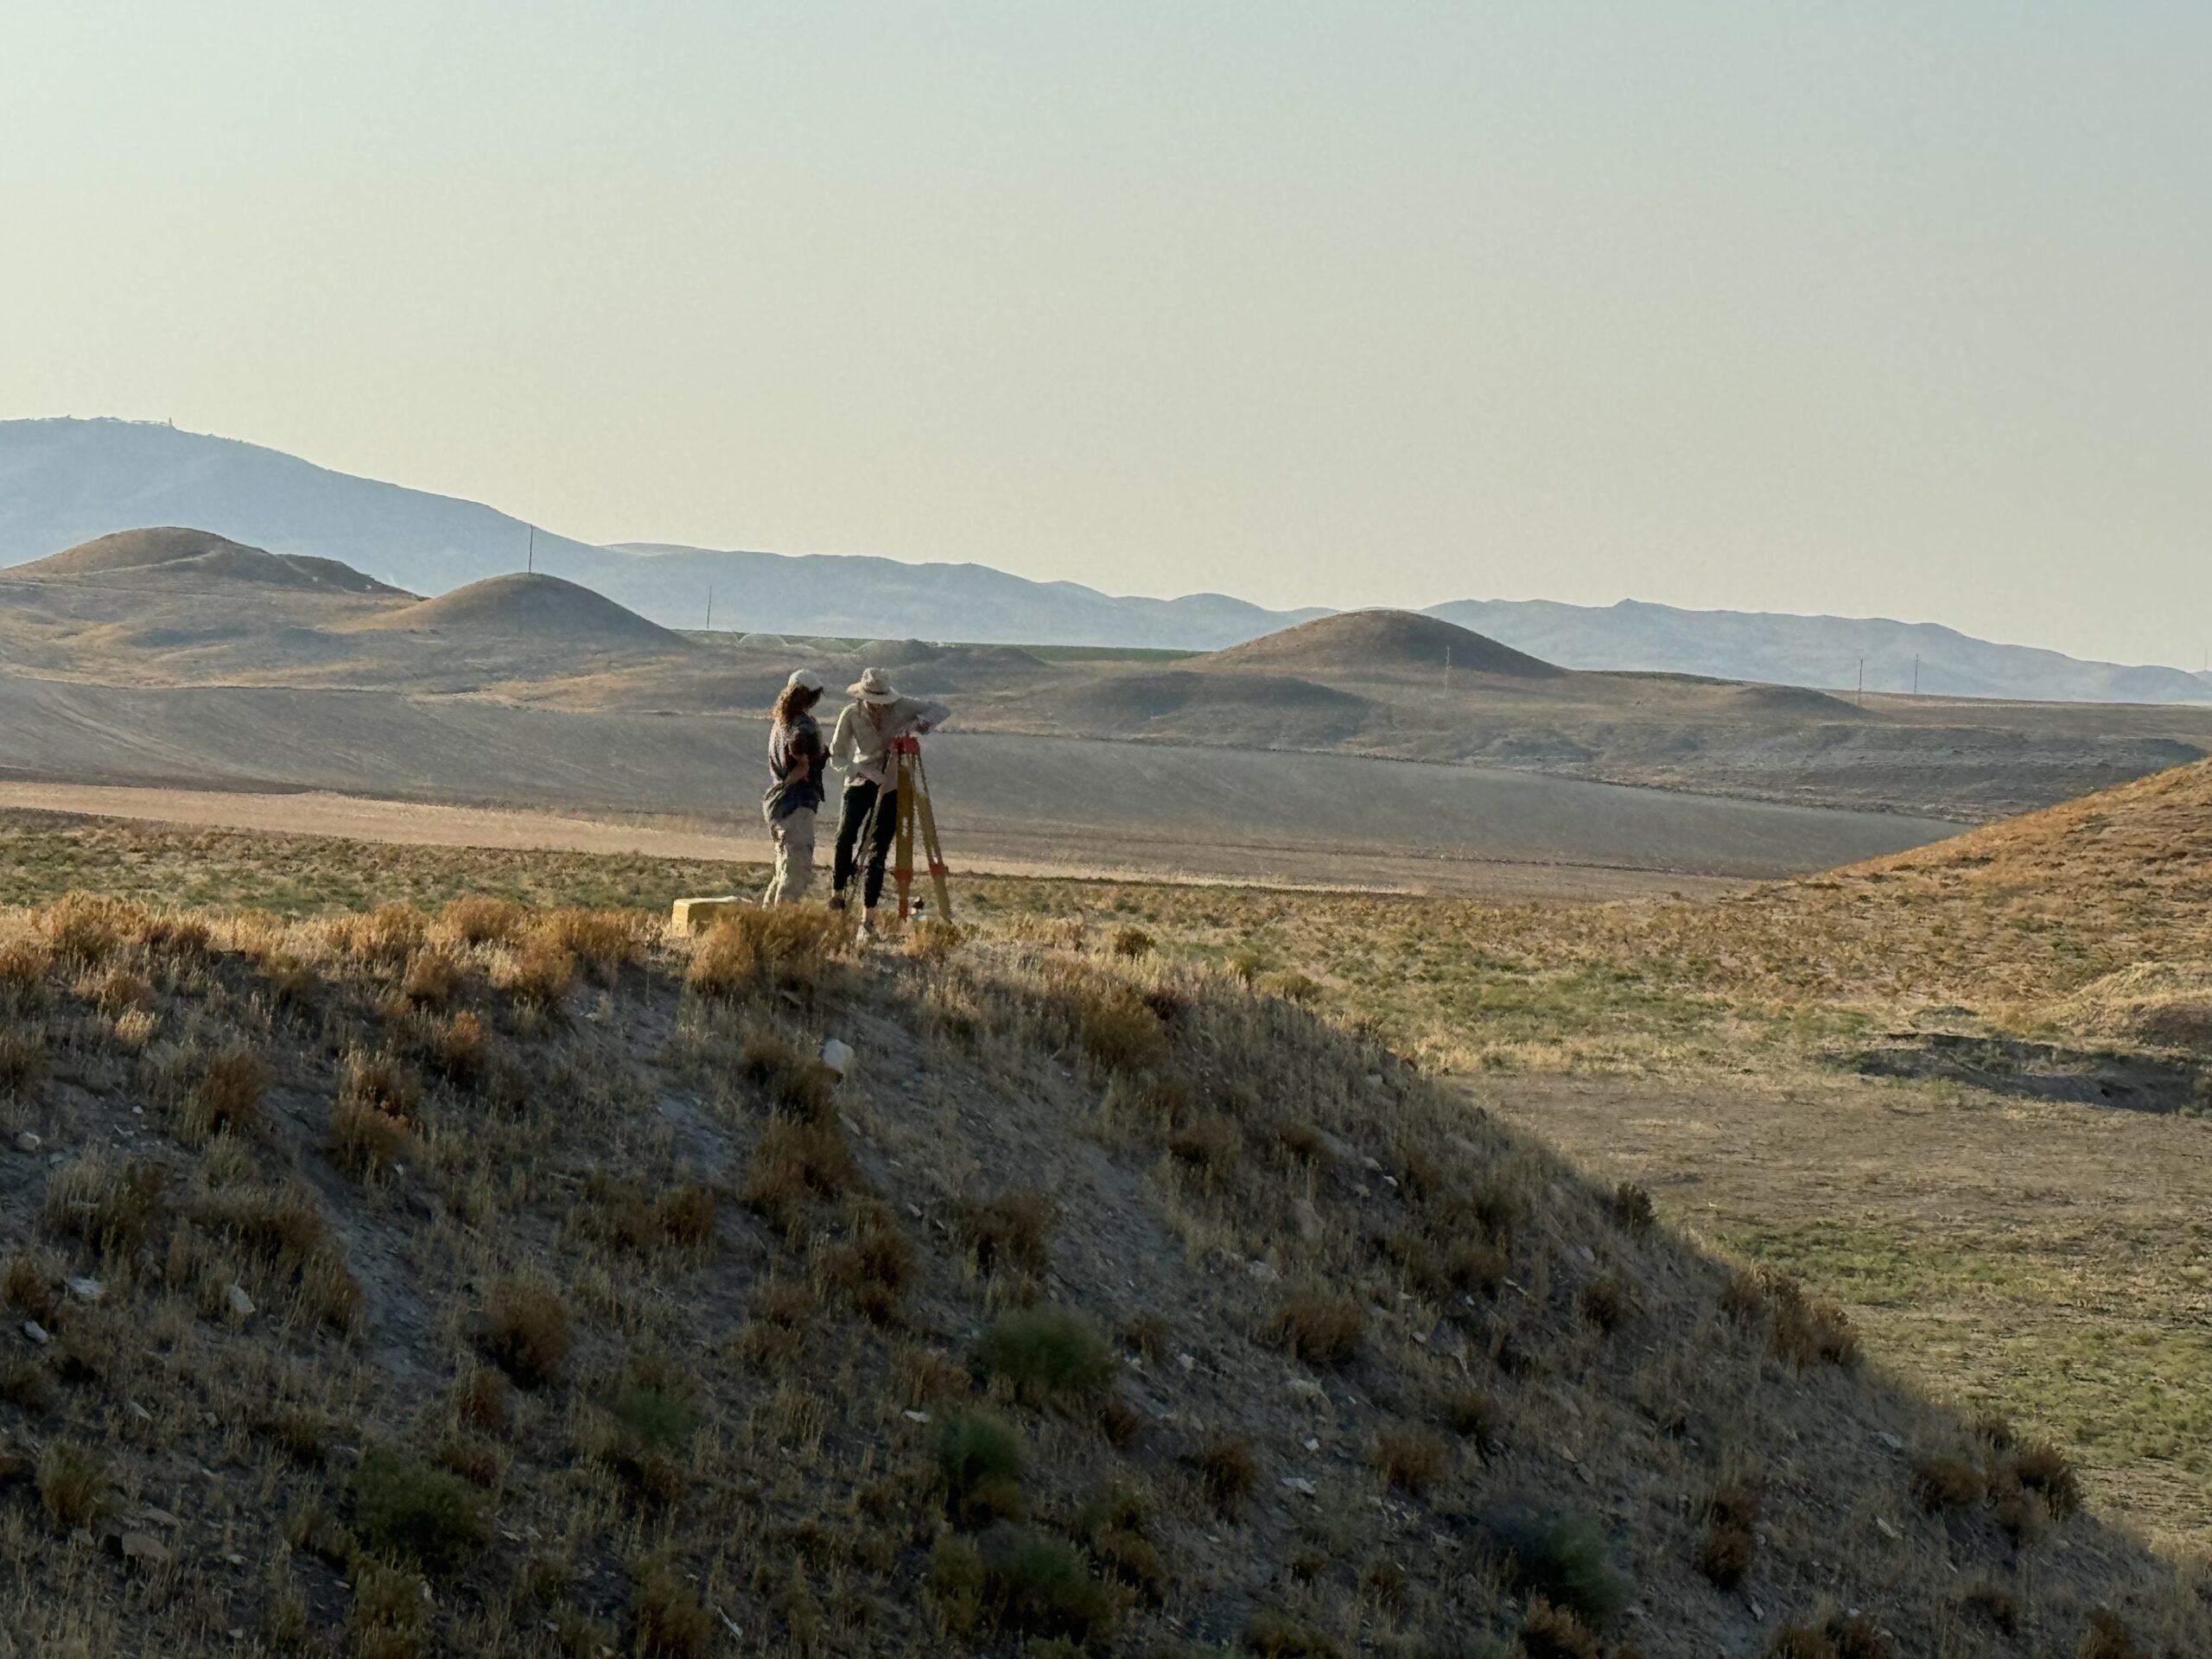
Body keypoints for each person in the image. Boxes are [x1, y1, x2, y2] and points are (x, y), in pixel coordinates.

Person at [828, 667, 949, 936]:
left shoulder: (904, 706)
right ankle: (837, 896)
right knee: (845, 837)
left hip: (893, 784)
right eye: (873, 702)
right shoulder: (850, 714)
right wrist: (862, 771)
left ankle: (867, 918)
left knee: (878, 850)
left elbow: (940, 710)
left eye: (883, 703)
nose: (879, 708)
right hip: (861, 782)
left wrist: (915, 724)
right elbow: (836, 757)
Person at [762, 669, 829, 906]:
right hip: (797, 804)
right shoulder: (802, 727)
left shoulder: (780, 723)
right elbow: (802, 762)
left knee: (782, 870)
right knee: (794, 874)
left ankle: (768, 921)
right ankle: (782, 928)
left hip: (779, 806)